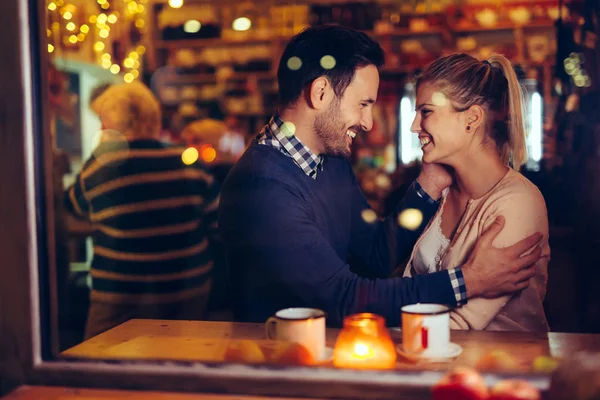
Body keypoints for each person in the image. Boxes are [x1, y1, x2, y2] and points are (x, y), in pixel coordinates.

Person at [218, 25, 543, 327]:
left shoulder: (329, 161)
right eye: (362, 104)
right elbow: (343, 297)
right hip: (280, 364)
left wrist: (426, 188)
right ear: (320, 94)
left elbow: (374, 255)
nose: (369, 122)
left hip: (326, 355)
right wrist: (469, 281)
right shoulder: (262, 186)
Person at [402, 54, 550, 331]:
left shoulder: (519, 203)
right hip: (432, 362)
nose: (413, 126)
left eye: (426, 111)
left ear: (471, 119)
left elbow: (463, 324)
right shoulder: (440, 191)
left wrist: (378, 325)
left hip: (503, 368)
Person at [64, 81, 220, 338]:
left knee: (96, 360)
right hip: (187, 292)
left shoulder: (100, 167)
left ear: (111, 125)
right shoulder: (189, 162)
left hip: (121, 294)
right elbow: (217, 222)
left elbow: (74, 206)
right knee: (182, 360)